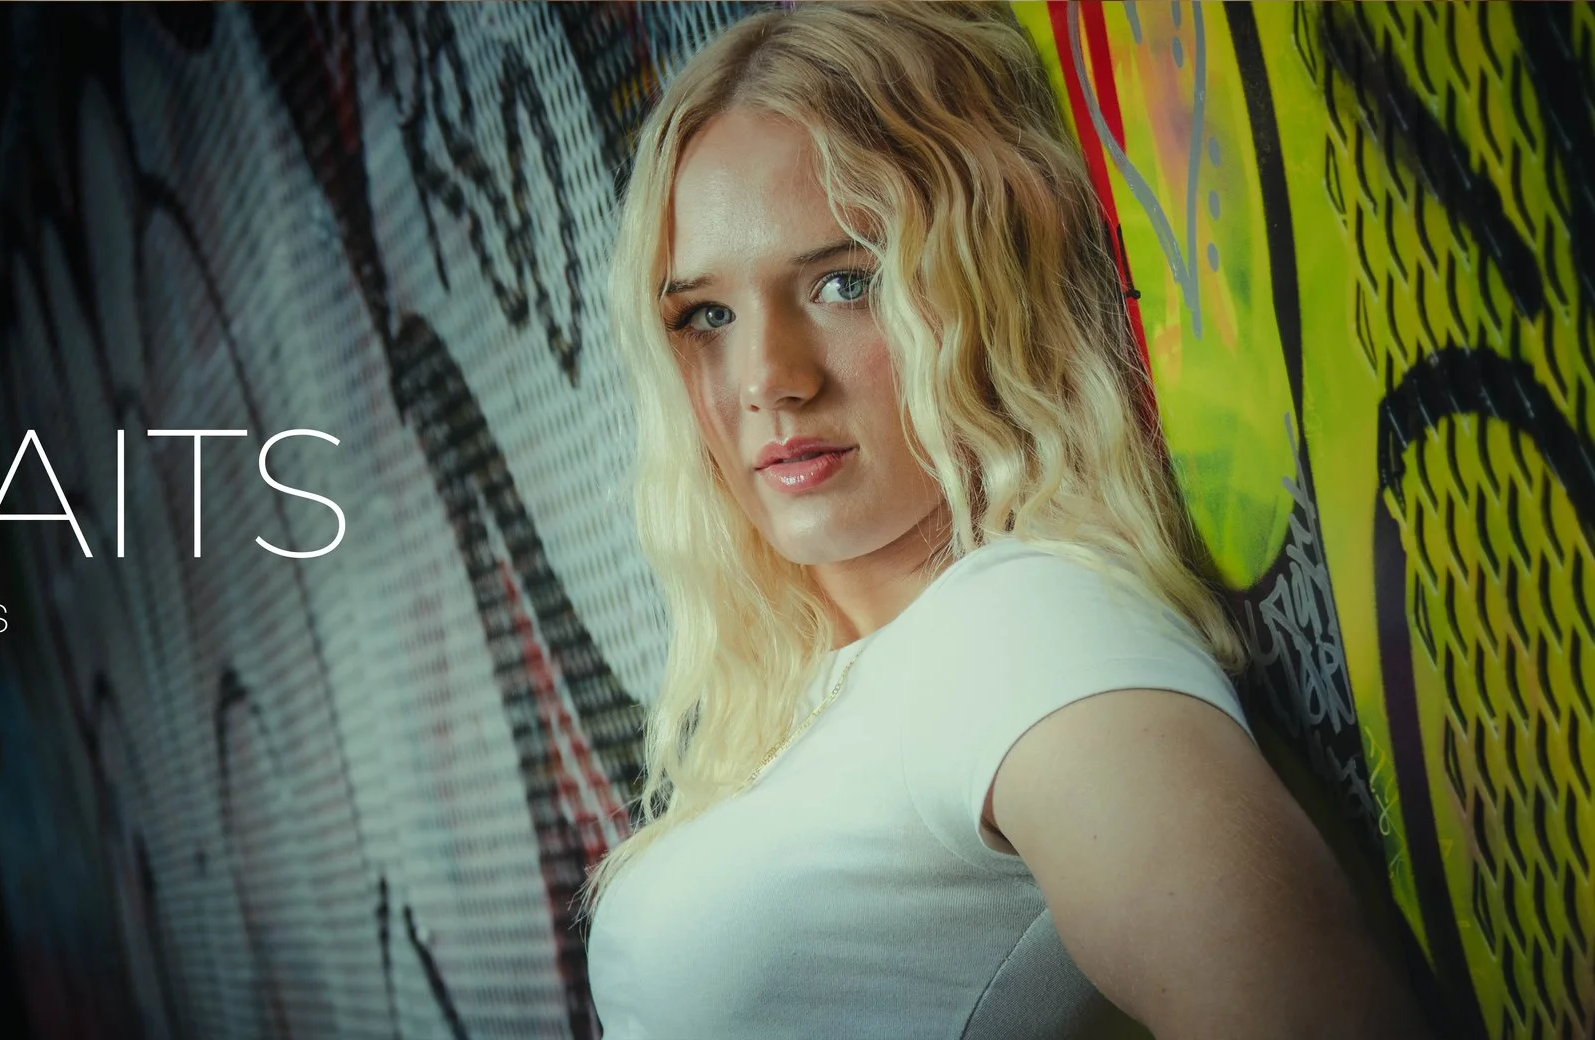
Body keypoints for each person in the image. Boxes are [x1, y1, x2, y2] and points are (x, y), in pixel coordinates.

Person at [579, 4, 1430, 1038]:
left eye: (846, 282)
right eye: (705, 315)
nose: (767, 381)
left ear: (987, 286)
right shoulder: (833, 692)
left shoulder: (1021, 629)